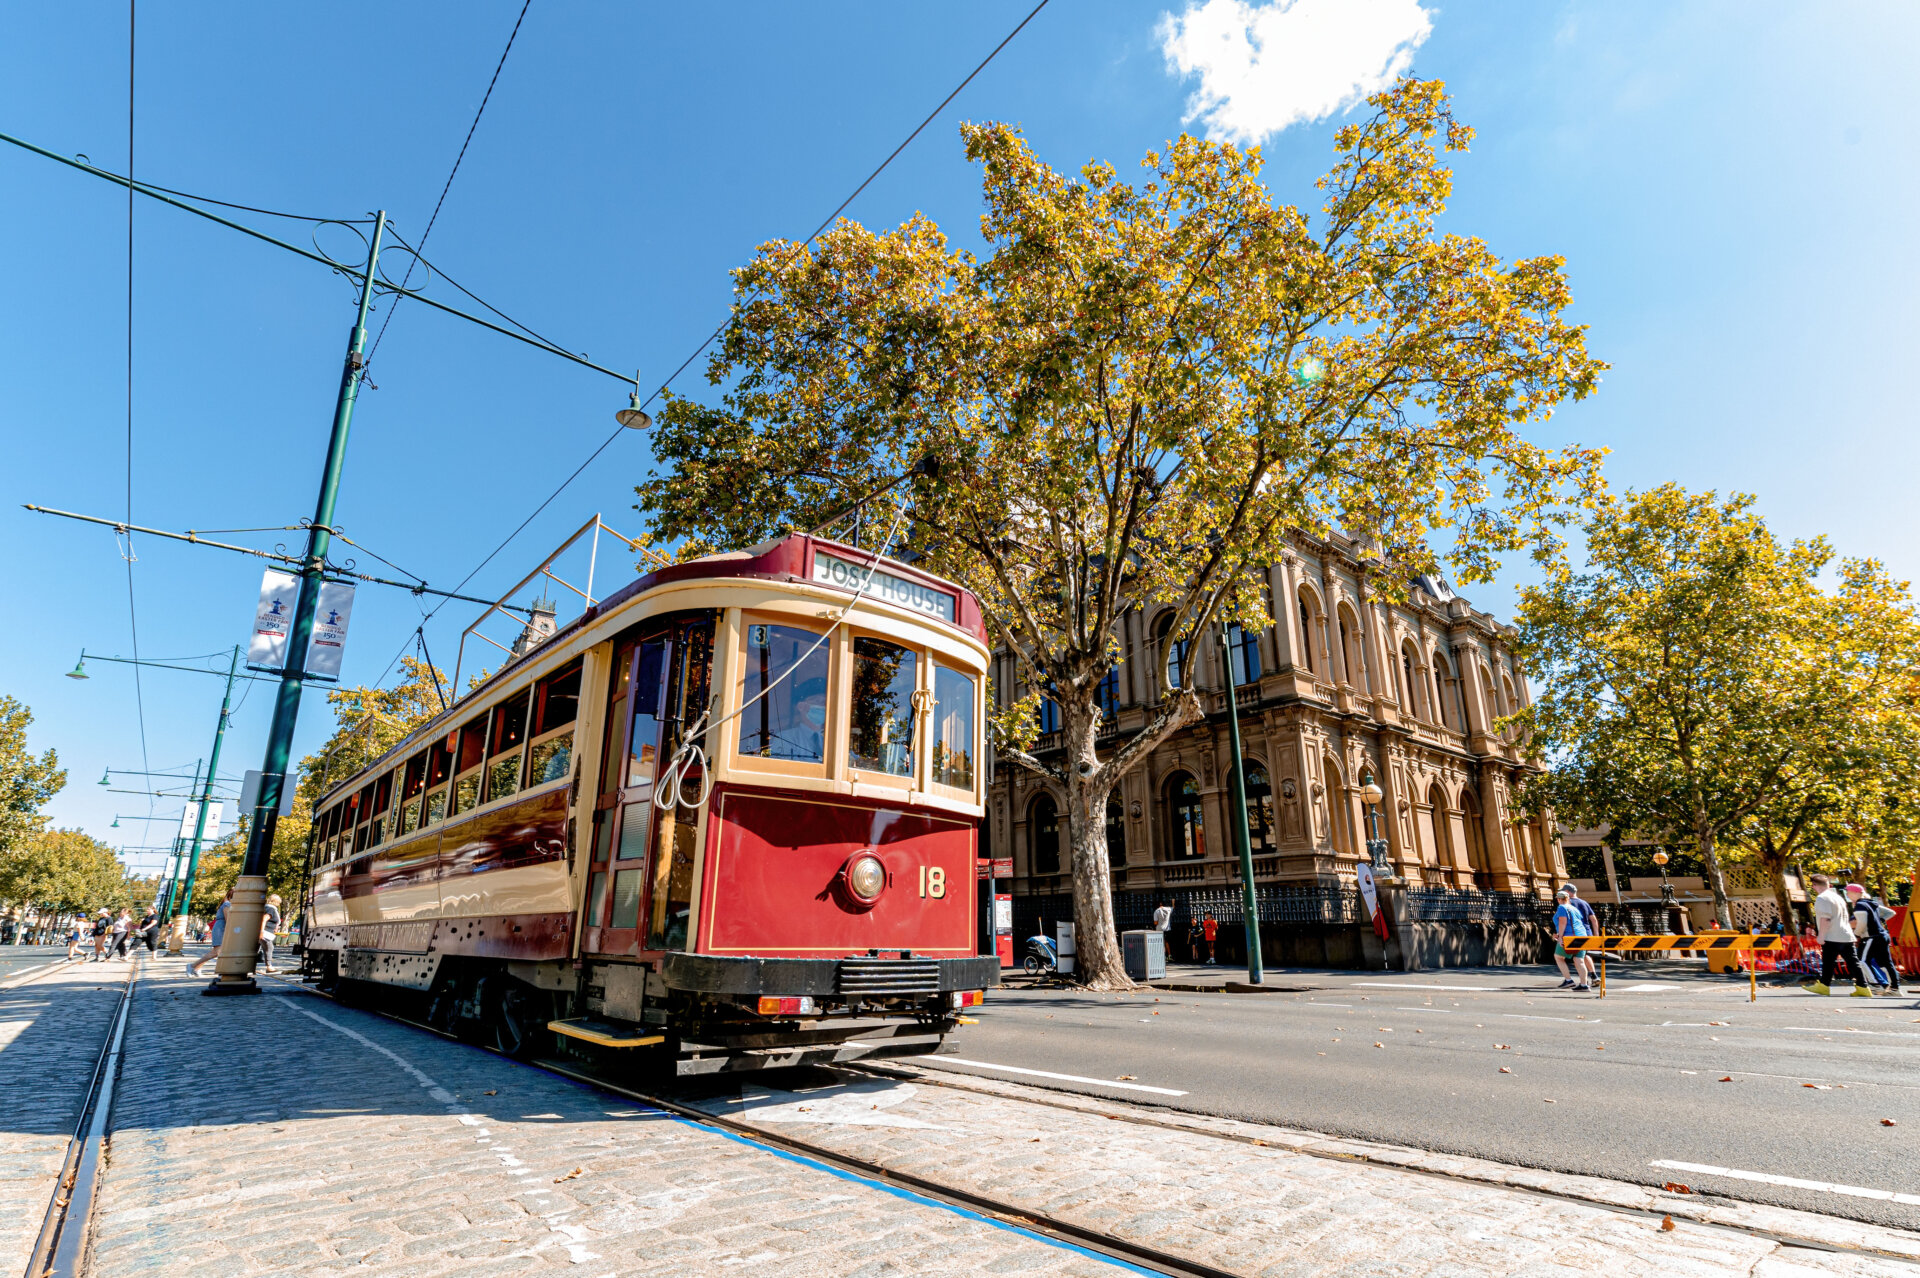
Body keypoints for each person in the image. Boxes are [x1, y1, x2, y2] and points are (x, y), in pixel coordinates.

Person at [1804, 873, 1871, 997]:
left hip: (1832, 935)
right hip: (1846, 934)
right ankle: (1863, 987)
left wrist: (1821, 936)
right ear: (1828, 885)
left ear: (1814, 885)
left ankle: (1824, 985)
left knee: (1828, 962)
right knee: (1853, 963)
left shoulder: (1822, 898)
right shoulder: (1837, 897)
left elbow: (1826, 919)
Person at [1847, 884, 1900, 994]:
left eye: (1848, 892)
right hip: (1882, 935)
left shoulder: (1860, 905)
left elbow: (1862, 923)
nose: (1847, 895)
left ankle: (1875, 986)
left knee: (1861, 960)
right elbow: (1890, 913)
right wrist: (1877, 921)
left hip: (1870, 937)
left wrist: (1855, 935)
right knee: (1885, 963)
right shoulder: (1872, 903)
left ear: (1856, 893)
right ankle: (1894, 988)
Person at [187, 889, 232, 977]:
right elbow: (228, 919)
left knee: (216, 952)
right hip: (221, 928)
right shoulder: (227, 904)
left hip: (220, 927)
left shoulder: (226, 903)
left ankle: (197, 968)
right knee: (217, 952)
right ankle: (192, 966)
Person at [1562, 883, 1600, 987]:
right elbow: (1593, 919)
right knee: (1585, 954)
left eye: (1563, 892)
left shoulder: (1568, 903)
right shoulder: (1584, 902)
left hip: (1576, 933)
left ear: (1568, 892)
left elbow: (1565, 920)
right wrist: (1596, 935)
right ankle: (1594, 976)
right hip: (1587, 932)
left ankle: (1583, 982)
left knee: (1577, 958)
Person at [1551, 888, 1590, 990]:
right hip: (1582, 936)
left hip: (1569, 937)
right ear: (1568, 898)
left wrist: (1560, 937)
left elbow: (1563, 923)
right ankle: (1584, 985)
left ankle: (1568, 980)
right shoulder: (1574, 909)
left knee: (1558, 957)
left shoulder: (1562, 908)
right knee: (1579, 960)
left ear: (1558, 899)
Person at [258, 894, 284, 973]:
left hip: (266, 932)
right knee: (269, 948)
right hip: (266, 932)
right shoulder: (270, 909)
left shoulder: (266, 907)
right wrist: (261, 931)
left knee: (258, 949)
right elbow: (264, 919)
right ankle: (269, 966)